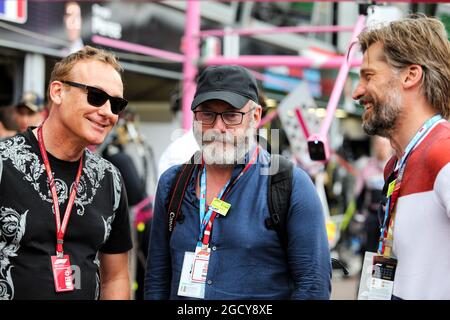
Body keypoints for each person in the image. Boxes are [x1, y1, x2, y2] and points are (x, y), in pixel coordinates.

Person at [144, 65, 331, 300]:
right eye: (207, 114)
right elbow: (157, 279)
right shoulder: (172, 183)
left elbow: (313, 286)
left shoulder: (289, 184)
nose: (218, 127)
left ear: (255, 116)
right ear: (194, 116)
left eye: (231, 115)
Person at [0, 46, 132, 299]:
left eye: (116, 104)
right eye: (95, 96)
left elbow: (115, 277)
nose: (107, 111)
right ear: (58, 92)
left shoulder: (109, 179)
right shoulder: (4, 162)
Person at [352, 15, 450, 299]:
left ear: (410, 75)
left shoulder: (443, 152)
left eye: (368, 76)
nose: (357, 92)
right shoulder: (395, 166)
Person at [353, 136, 392, 254]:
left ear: (390, 146)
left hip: (389, 218)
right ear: (374, 146)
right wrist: (359, 215)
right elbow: (359, 194)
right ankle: (367, 272)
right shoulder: (367, 167)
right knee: (368, 250)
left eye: (384, 145)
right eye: (379, 144)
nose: (381, 148)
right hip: (372, 216)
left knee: (387, 252)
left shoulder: (396, 167)